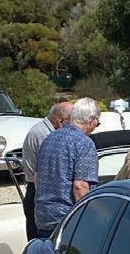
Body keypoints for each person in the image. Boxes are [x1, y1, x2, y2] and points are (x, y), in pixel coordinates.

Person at [31, 98, 102, 237]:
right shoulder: (84, 143)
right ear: (91, 119)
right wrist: (89, 220)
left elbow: (37, 177)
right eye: (97, 123)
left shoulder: (49, 138)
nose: (95, 127)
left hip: (43, 216)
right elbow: (80, 186)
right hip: (67, 220)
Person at [20, 101, 73, 238]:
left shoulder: (43, 130)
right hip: (39, 192)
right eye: (71, 120)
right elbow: (46, 172)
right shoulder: (45, 136)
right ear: (60, 120)